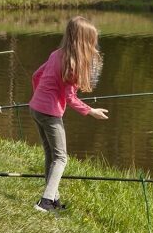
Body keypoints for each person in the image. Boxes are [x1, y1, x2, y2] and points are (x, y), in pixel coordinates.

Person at [29, 16, 109, 212]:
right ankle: (45, 201)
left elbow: (36, 76)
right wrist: (91, 111)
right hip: (49, 113)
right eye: (92, 41)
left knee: (51, 153)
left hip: (35, 108)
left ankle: (54, 197)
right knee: (61, 157)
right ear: (84, 42)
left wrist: (40, 97)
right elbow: (71, 98)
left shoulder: (56, 54)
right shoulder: (71, 66)